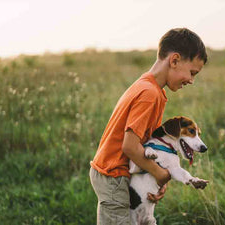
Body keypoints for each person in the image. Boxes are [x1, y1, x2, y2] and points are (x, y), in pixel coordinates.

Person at [89, 28, 208, 225]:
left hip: (124, 172)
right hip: (114, 175)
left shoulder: (149, 87)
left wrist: (155, 176)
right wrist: (161, 174)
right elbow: (129, 147)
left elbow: (145, 144)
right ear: (175, 60)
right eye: (192, 73)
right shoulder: (149, 93)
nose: (192, 80)